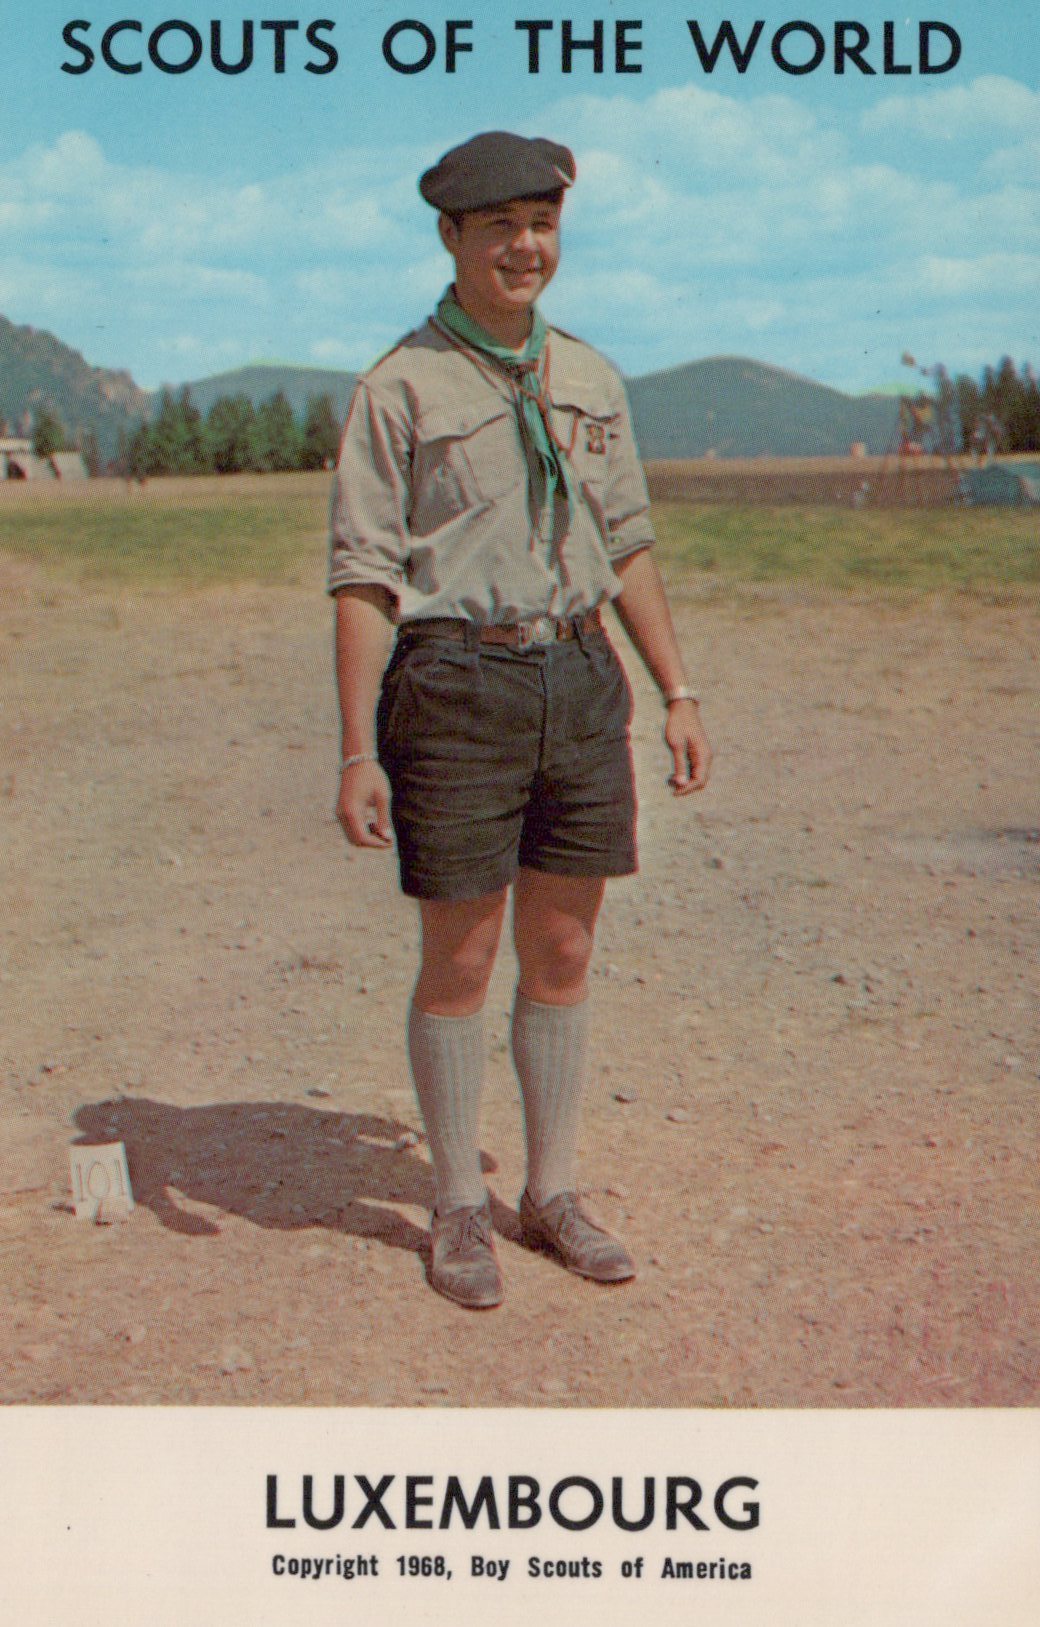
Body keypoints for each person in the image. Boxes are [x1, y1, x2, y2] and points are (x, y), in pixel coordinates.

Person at [329, 131, 711, 1310]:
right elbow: (360, 578)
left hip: (577, 679)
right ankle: (454, 1204)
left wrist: (674, 689)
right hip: (454, 683)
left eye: (540, 223)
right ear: (449, 237)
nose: (523, 246)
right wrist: (355, 749)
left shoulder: (590, 378)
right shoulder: (399, 386)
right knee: (461, 955)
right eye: (497, 226)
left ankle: (548, 1192)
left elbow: (627, 543)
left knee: (562, 948)